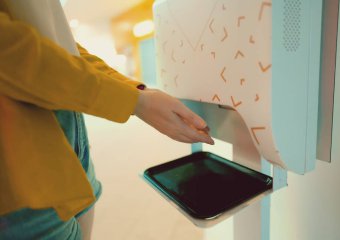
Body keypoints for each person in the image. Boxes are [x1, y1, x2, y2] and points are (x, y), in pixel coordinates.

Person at [0, 0, 214, 239]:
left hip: (70, 134)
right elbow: (11, 51)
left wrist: (138, 92)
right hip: (21, 160)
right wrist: (134, 101)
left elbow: (62, 47)